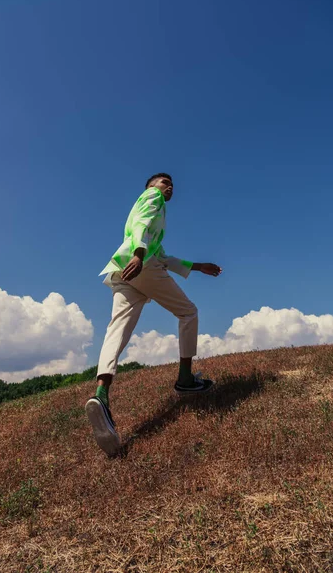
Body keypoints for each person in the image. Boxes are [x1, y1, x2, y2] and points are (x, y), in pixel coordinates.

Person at [86, 173, 222, 455]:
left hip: (124, 271)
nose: (168, 187)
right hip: (139, 264)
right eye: (163, 182)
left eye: (171, 184)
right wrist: (139, 253)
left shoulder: (150, 216)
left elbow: (163, 256)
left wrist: (198, 266)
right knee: (188, 312)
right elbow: (142, 226)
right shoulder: (152, 198)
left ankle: (101, 394)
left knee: (116, 330)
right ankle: (185, 379)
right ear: (150, 187)